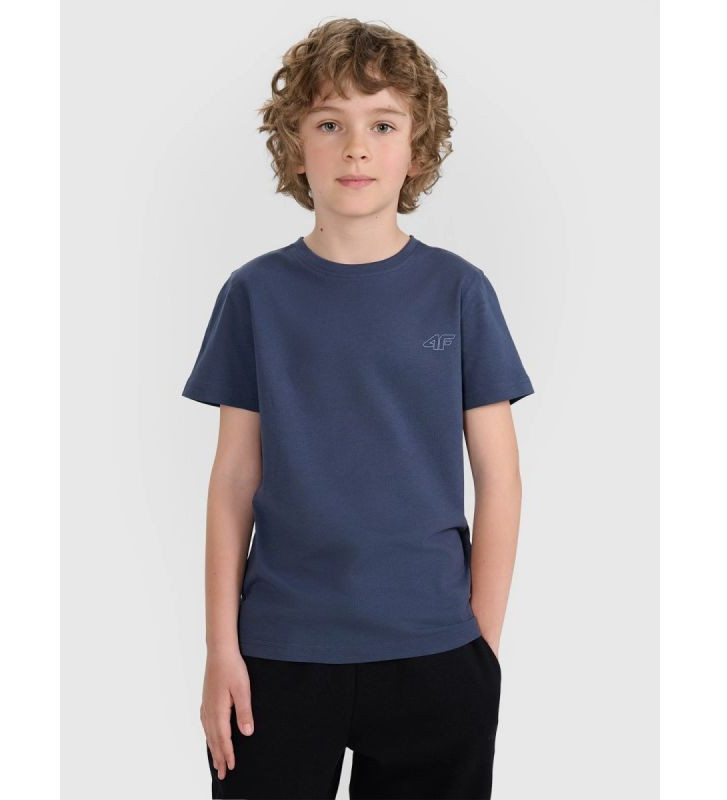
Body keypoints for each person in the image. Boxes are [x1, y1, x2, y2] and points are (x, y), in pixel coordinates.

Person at [182, 17, 535, 800]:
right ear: (293, 146)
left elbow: (500, 478)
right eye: (328, 124)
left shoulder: (460, 291)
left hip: (436, 654)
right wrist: (220, 649)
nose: (355, 149)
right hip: (277, 653)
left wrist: (480, 649)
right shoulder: (254, 295)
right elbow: (233, 479)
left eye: (382, 124)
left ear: (417, 148)